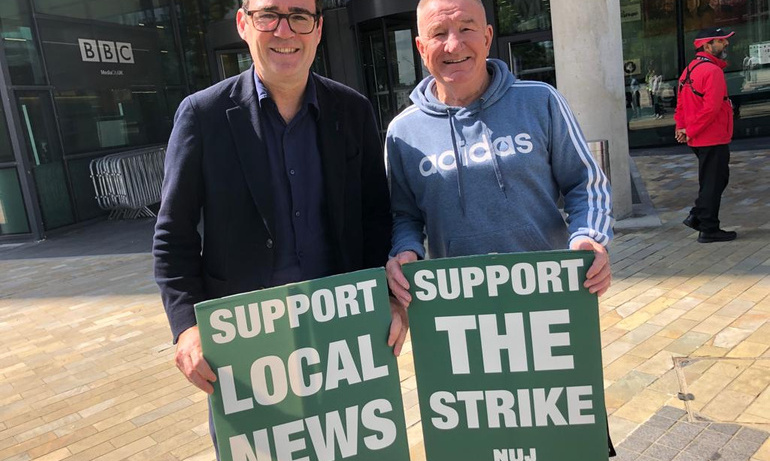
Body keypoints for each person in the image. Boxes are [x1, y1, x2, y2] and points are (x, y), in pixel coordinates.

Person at [152, 0, 406, 454]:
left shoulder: (353, 110)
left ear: (318, 29)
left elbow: (374, 216)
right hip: (245, 345)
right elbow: (174, 235)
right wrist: (187, 327)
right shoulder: (202, 115)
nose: (284, 31)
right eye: (268, 15)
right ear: (243, 23)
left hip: (342, 335)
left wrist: (384, 297)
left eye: (299, 17)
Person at [385, 0, 615, 455]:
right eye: (439, 34)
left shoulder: (540, 101)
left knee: (567, 438)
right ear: (420, 47)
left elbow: (585, 183)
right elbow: (402, 214)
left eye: (466, 28)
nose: (454, 45)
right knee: (479, 444)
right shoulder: (402, 132)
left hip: (548, 311)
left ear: (488, 37)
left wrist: (589, 236)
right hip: (458, 321)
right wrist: (406, 250)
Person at [675, 27, 737, 243]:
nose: (726, 43)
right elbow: (711, 109)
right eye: (721, 40)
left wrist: (682, 128)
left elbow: (680, 104)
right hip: (712, 136)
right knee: (713, 182)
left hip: (700, 137)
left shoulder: (689, 70)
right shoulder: (712, 71)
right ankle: (708, 228)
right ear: (707, 46)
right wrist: (688, 130)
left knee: (714, 180)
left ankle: (698, 216)